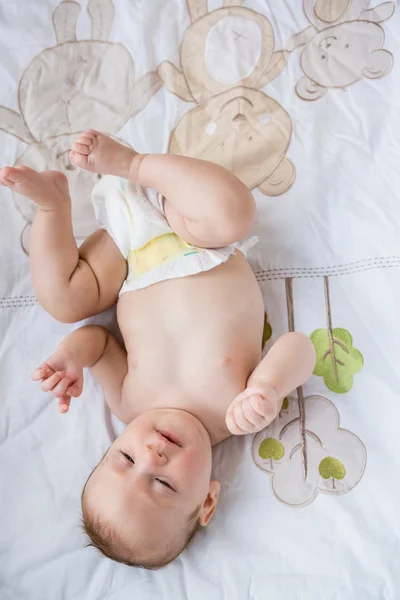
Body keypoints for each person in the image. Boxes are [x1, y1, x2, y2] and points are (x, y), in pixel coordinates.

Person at [0, 132, 316, 568]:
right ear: (207, 501)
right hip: (195, 232)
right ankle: (137, 165)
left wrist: (71, 354)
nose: (151, 455)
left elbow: (101, 344)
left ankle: (53, 206)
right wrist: (268, 386)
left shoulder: (130, 404)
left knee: (64, 302)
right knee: (235, 214)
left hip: (130, 255)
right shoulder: (238, 413)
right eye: (164, 484)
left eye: (125, 457)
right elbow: (300, 348)